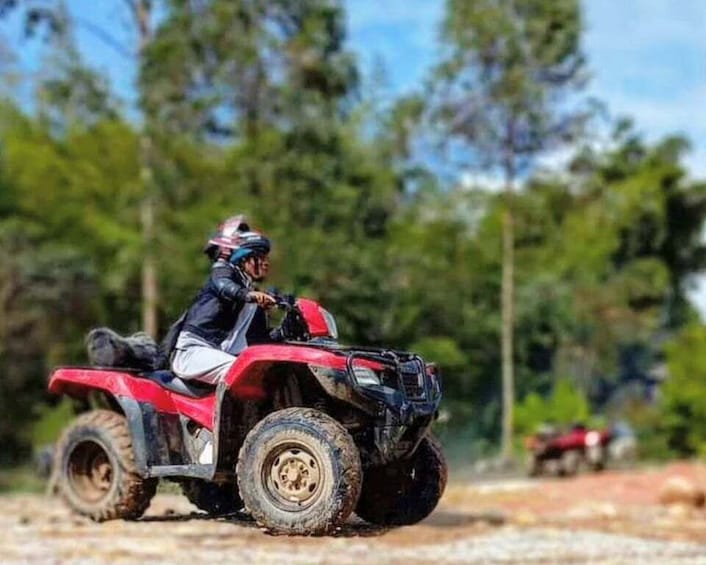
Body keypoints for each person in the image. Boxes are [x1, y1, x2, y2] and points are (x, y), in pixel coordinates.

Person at [170, 216, 278, 384]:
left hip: (218, 353)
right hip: (194, 350)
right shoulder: (224, 274)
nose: (266, 263)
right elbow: (224, 286)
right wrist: (249, 296)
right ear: (243, 258)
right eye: (260, 257)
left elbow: (258, 340)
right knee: (243, 371)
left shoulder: (251, 296)